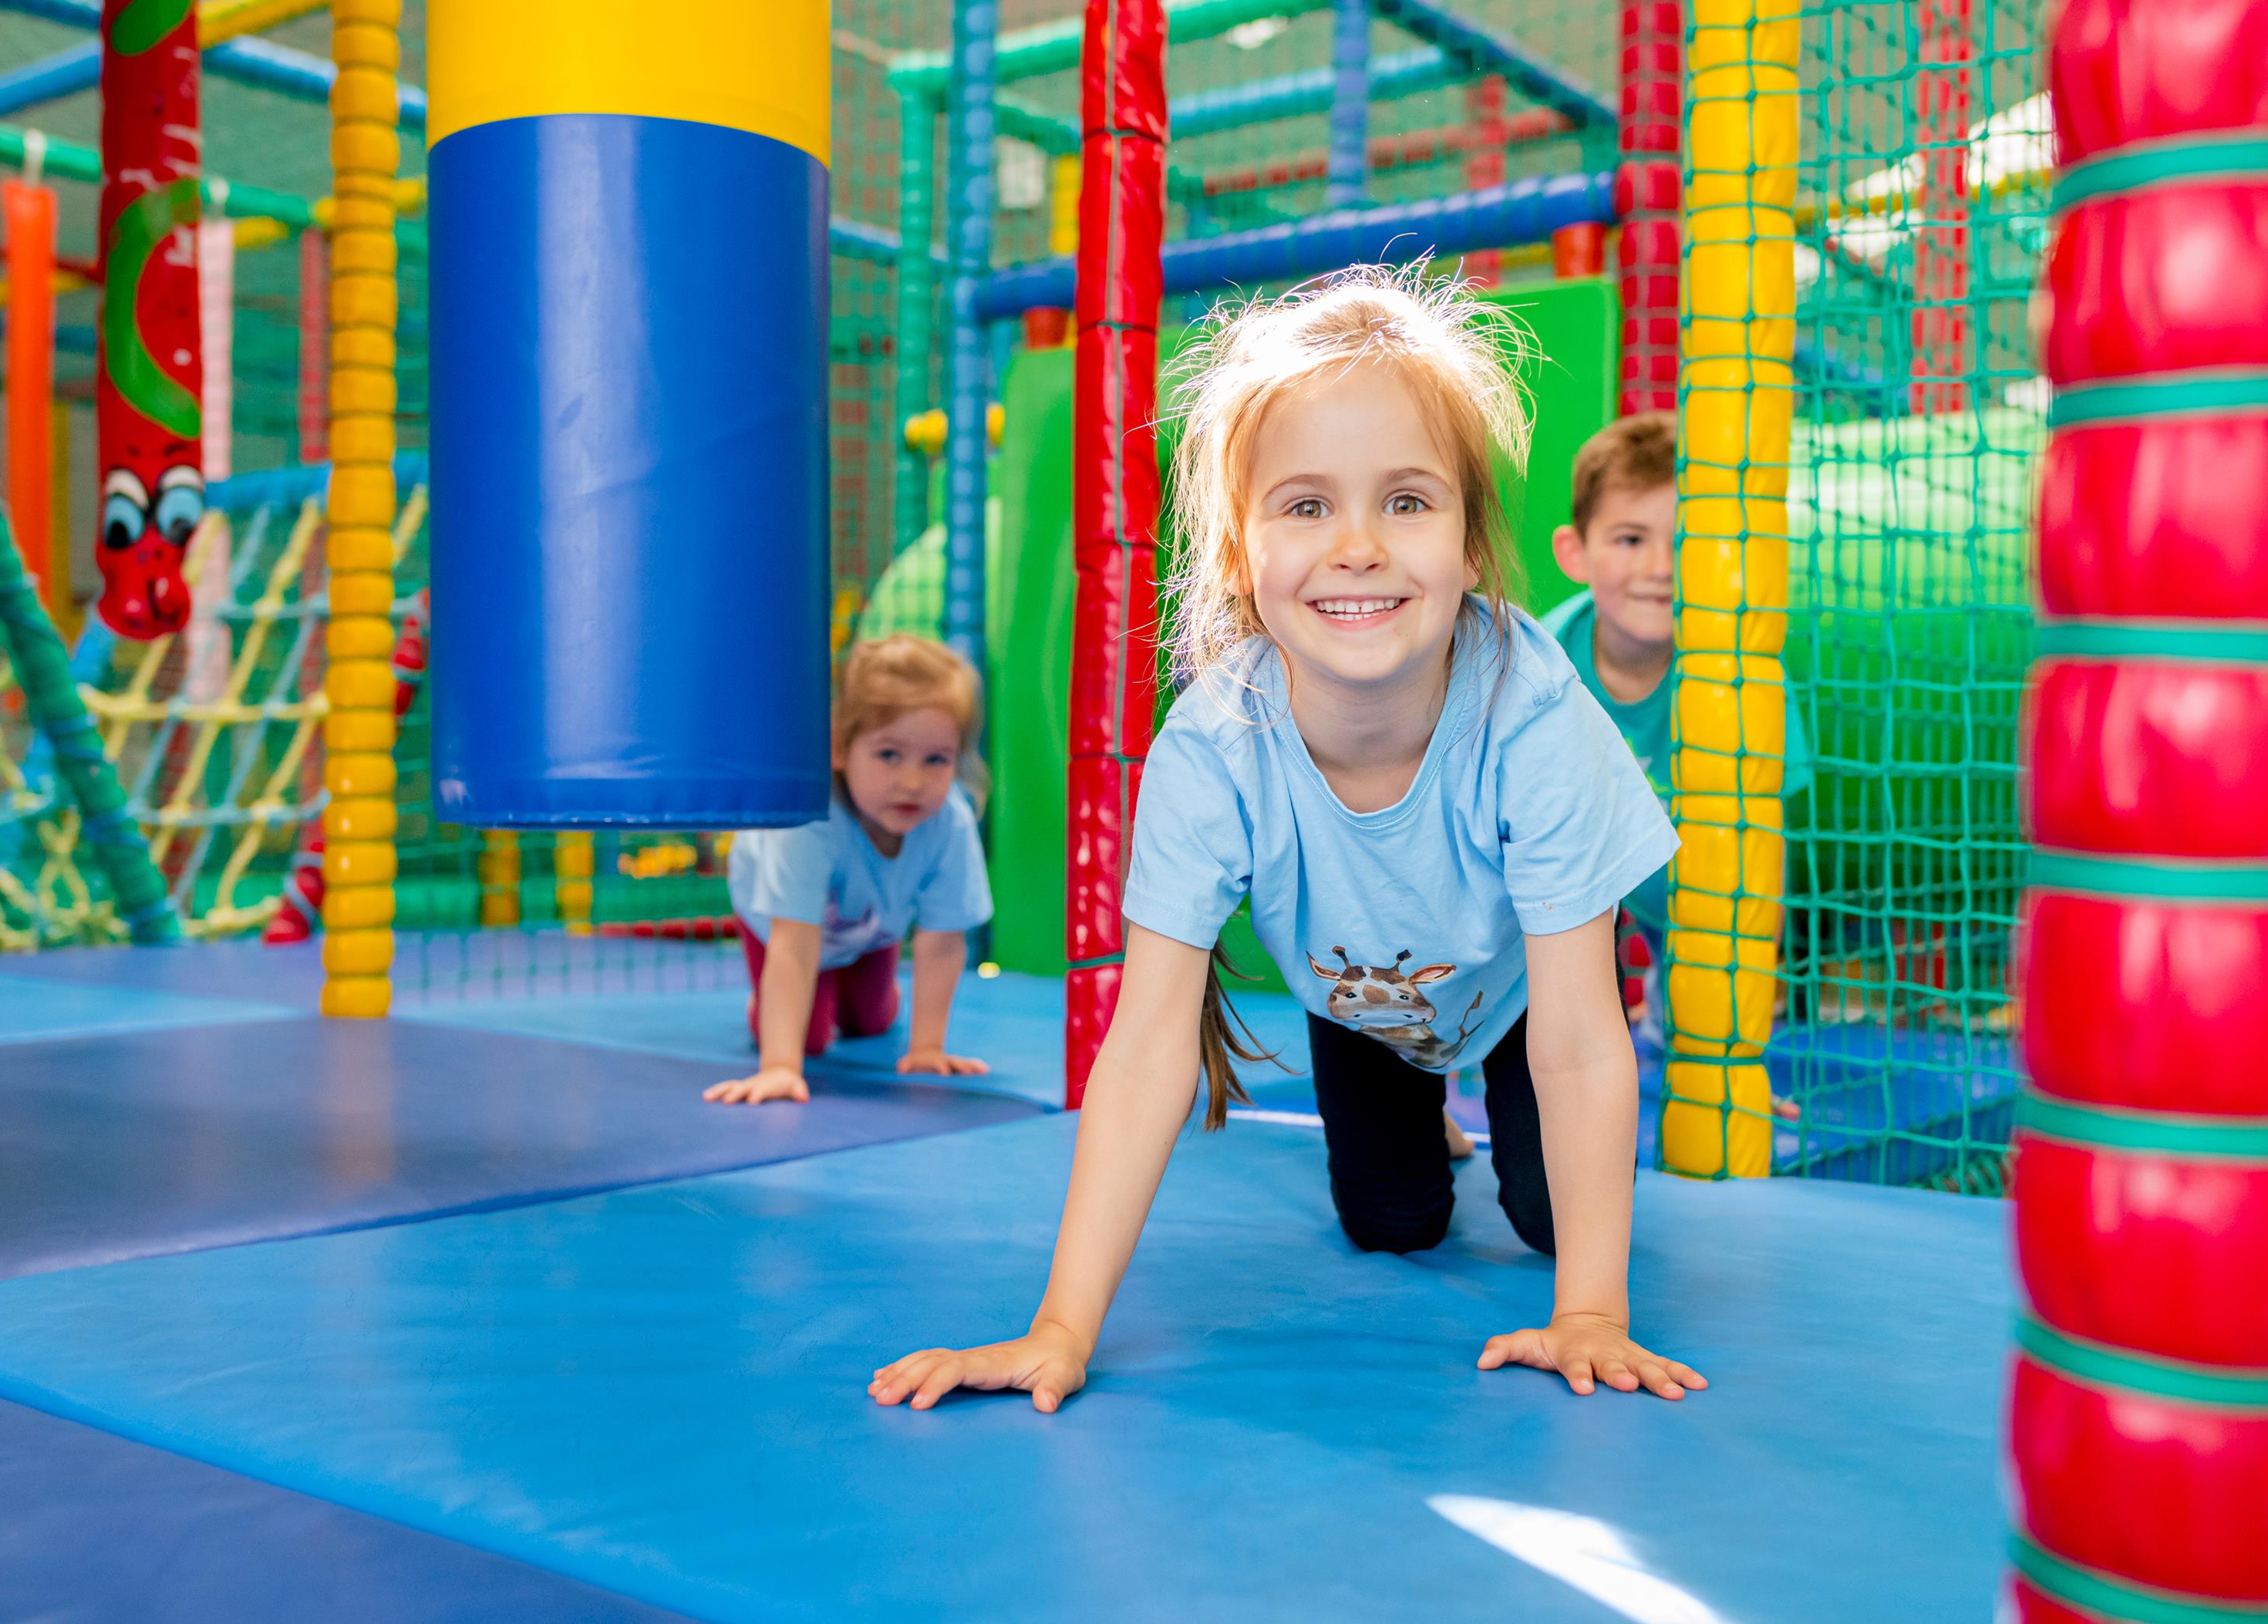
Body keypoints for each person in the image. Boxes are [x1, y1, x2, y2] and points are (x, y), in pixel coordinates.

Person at [869, 266, 1706, 1413]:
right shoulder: (1215, 745)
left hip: (1525, 990)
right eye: (1306, 506)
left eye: (1405, 501)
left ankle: (1502, 1148)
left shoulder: (1531, 708)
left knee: (1552, 1219)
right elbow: (1147, 1048)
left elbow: (1577, 1038)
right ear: (1237, 553)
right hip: (1362, 1002)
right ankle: (1421, 1118)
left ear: (1470, 546)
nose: (1357, 546)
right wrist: (1059, 1327)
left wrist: (1592, 1312)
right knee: (1392, 1223)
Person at [1541, 412, 1811, 1060]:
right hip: (1573, 886)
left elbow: (1764, 848)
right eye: (1630, 539)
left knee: (1695, 1044)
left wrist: (1741, 1029)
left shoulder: (1743, 675)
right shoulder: (1543, 665)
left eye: (1688, 540)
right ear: (1575, 553)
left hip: (1698, 892)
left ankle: (1669, 1010)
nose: (1661, 567)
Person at [707, 635, 996, 1105]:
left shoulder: (949, 822)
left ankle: (854, 982)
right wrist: (780, 1066)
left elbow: (943, 940)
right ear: (840, 748)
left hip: (869, 927)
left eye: (936, 759)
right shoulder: (809, 823)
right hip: (781, 926)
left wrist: (926, 1047)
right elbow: (793, 945)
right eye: (889, 755)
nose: (913, 781)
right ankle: (766, 1005)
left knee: (872, 1023)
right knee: (808, 1039)